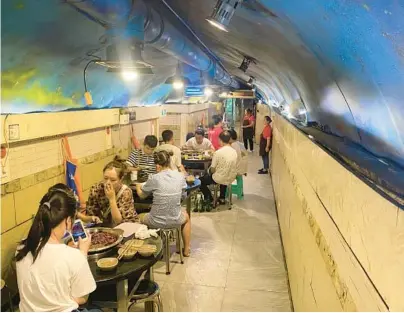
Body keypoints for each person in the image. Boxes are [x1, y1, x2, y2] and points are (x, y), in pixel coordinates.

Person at [15, 184, 96, 312]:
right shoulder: (73, 257)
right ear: (68, 221)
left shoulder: (21, 248)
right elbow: (82, 297)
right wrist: (82, 253)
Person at [136, 150, 191, 256]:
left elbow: (142, 195)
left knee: (138, 217)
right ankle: (186, 249)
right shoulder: (180, 176)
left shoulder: (154, 178)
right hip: (176, 219)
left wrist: (138, 186)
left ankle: (145, 251)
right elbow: (183, 190)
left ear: (157, 166)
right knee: (187, 217)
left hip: (155, 220)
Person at [79, 156, 138, 227]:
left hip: (127, 226)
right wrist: (93, 218)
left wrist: (112, 199)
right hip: (107, 226)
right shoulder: (96, 189)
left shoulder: (126, 192)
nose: (108, 183)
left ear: (121, 179)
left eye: (113, 180)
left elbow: (118, 221)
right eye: (105, 178)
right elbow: (91, 214)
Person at [200, 131, 237, 205]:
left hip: (220, 178)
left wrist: (208, 171)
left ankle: (209, 198)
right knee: (224, 172)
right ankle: (222, 198)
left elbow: (213, 169)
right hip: (231, 177)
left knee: (200, 181)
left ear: (220, 140)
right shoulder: (234, 151)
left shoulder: (218, 152)